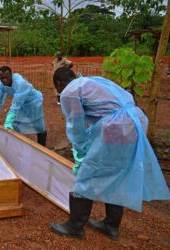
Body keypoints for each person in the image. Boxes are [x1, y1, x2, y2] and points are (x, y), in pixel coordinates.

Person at [49, 67, 170, 240]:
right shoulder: (92, 80)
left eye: (57, 88)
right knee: (117, 173)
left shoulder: (69, 91)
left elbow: (76, 125)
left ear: (59, 83)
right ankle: (111, 225)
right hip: (135, 122)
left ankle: (75, 226)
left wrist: (81, 153)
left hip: (117, 127)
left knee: (87, 173)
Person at [0, 66, 47, 146]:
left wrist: (8, 120)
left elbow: (16, 104)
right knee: (15, 124)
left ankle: (42, 146)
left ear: (11, 75)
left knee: (38, 124)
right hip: (22, 104)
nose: (4, 80)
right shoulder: (0, 84)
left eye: (7, 77)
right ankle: (16, 146)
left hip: (33, 102)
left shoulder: (20, 83)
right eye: (2, 78)